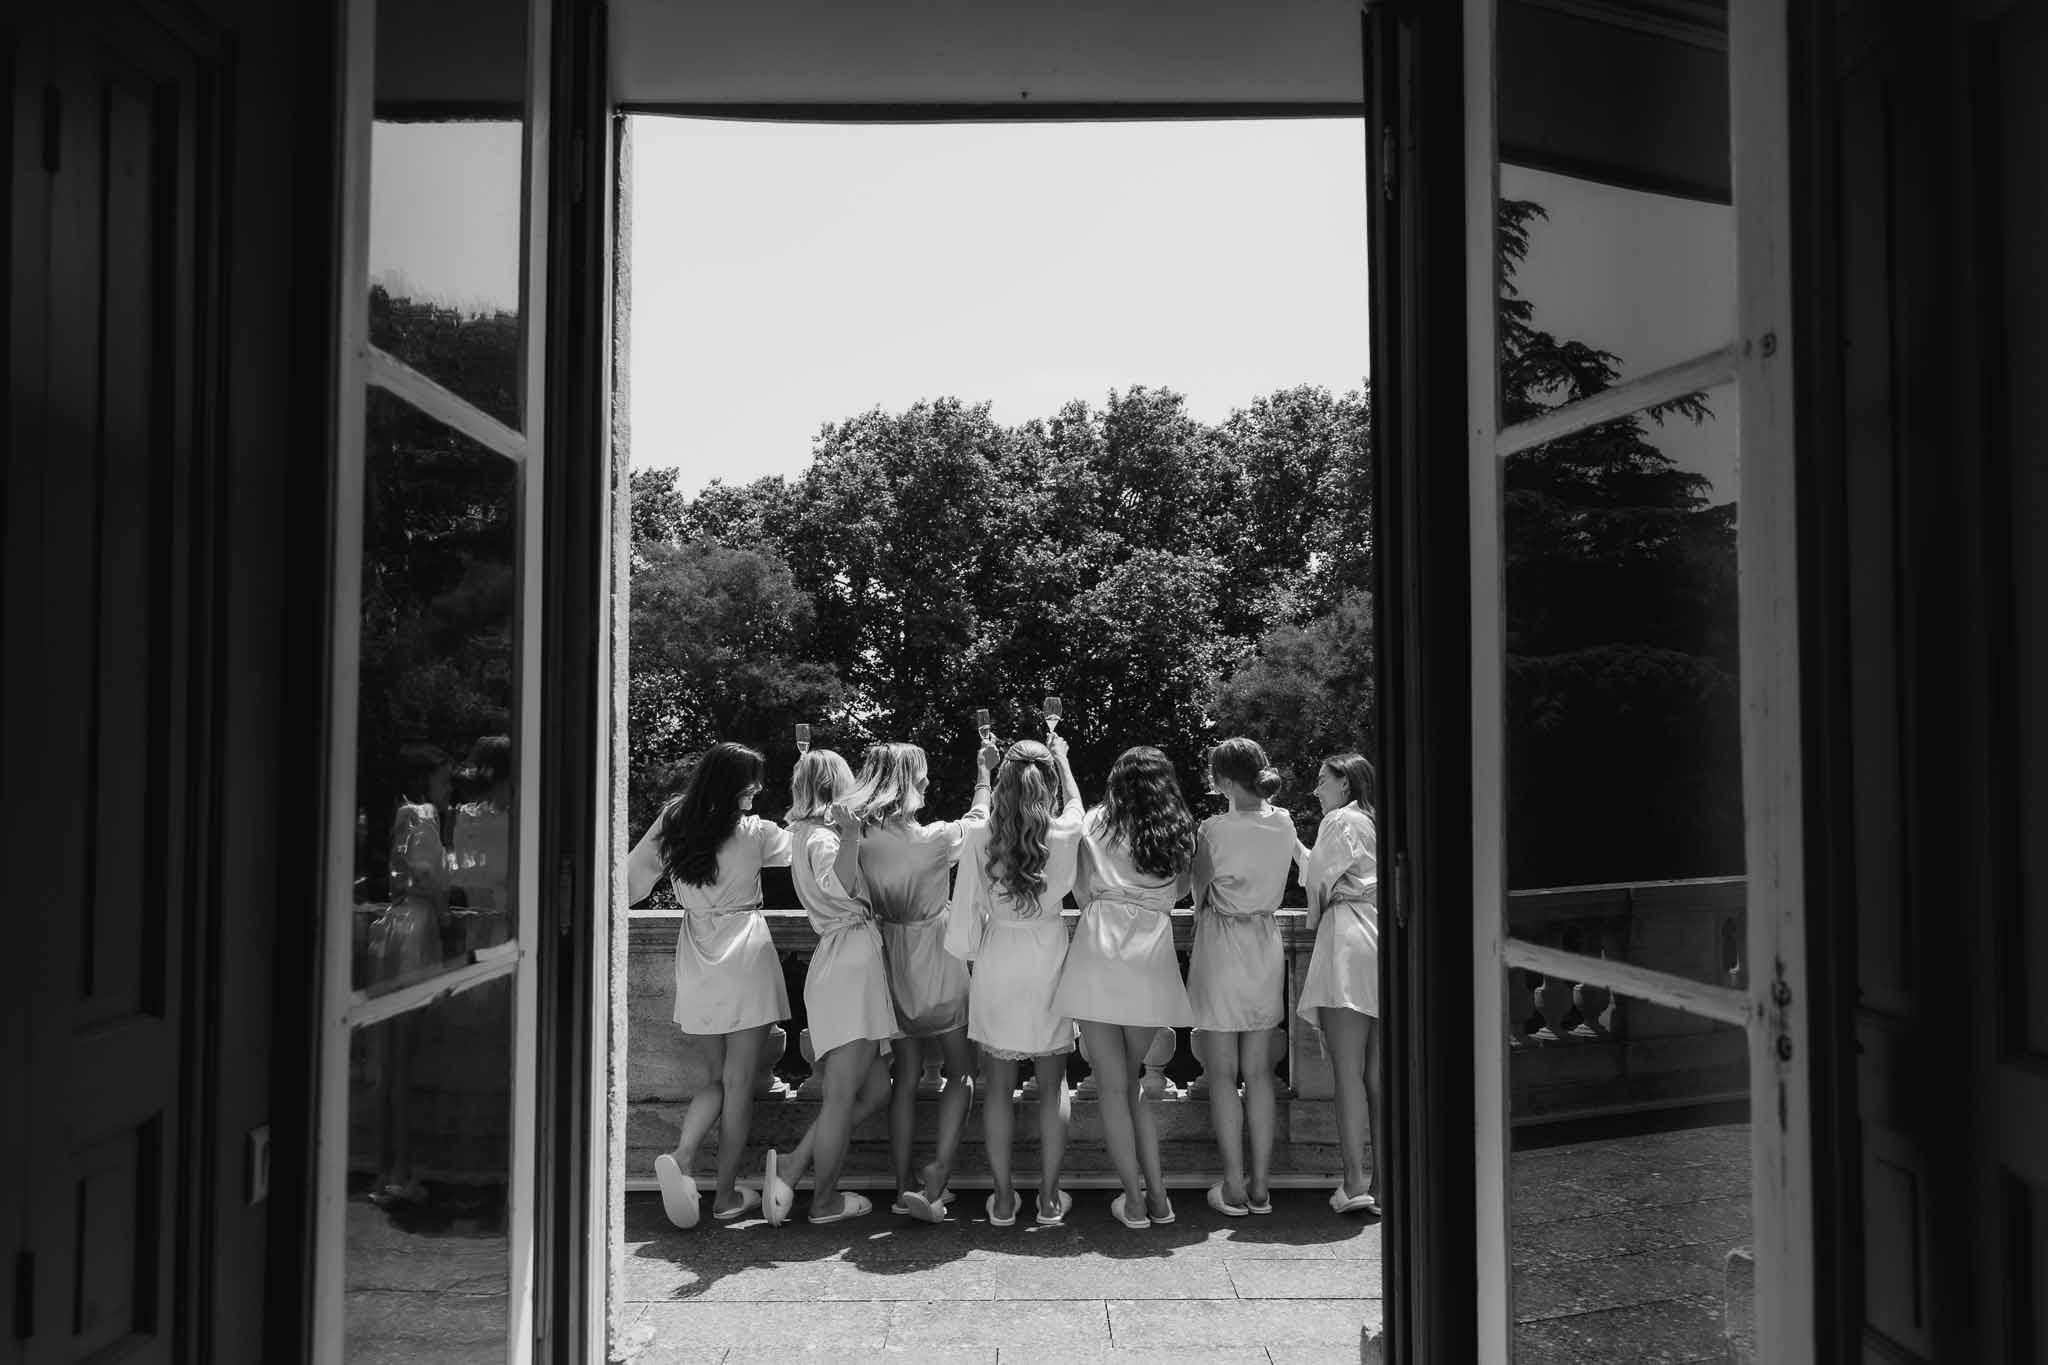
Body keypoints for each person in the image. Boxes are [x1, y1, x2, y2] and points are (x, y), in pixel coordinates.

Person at [626, 742, 791, 1227]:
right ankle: (722, 1197)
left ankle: (681, 1156)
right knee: (739, 1085)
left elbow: (634, 878)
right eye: (752, 780)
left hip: (695, 951)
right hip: (744, 951)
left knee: (715, 1080)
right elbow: (806, 850)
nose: (758, 789)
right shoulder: (756, 832)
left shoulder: (676, 817)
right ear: (733, 784)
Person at [1050, 745, 1197, 1229]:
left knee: (1114, 1090)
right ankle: (1158, 1197)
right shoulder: (1179, 829)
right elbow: (1179, 895)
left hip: (1099, 947)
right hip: (1149, 956)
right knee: (1130, 1085)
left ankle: (1135, 1200)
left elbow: (1079, 887)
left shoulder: (1095, 822)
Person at [845, 740, 991, 1222]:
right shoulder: (934, 839)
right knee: (961, 1071)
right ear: (910, 781)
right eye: (923, 775)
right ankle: (938, 1175)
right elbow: (978, 821)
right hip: (938, 956)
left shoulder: (861, 839)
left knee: (904, 1078)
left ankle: (901, 1181)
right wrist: (983, 773)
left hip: (887, 958)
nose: (928, 783)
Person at [752, 748, 899, 1225]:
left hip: (845, 959)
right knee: (839, 1096)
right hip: (849, 963)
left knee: (875, 1089)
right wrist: (854, 836)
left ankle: (793, 1168)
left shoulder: (805, 834)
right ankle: (823, 1200)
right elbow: (839, 884)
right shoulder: (825, 840)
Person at [949, 734, 1083, 1228]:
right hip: (1048, 957)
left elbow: (964, 908)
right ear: (1046, 781)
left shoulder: (982, 834)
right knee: (1053, 1087)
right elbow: (1076, 806)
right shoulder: (1066, 832)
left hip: (999, 958)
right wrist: (1064, 760)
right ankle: (1048, 1198)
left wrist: (966, 958)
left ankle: (1004, 1199)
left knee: (998, 1088)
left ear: (1003, 781)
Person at [1186, 736, 1297, 1218]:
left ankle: (1232, 1182)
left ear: (1227, 780)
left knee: (1223, 1074)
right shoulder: (1286, 822)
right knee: (1259, 1074)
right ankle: (1261, 1186)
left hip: (1220, 942)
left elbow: (1199, 894)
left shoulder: (1213, 829)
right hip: (1264, 943)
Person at [1296, 751, 1384, 1216]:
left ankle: (1353, 1183)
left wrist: (1300, 857)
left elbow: (1319, 883)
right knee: (1378, 1076)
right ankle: (1384, 1185)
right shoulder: (1378, 821)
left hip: (1349, 938)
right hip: (1382, 937)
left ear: (1345, 784)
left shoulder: (1339, 821)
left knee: (1348, 1073)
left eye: (1322, 780)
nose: (1316, 790)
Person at [367, 742, 454, 1207]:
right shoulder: (423, 814)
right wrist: (443, 911)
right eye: (443, 779)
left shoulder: (402, 813)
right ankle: (401, 1171)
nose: (449, 788)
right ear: (427, 781)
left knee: (392, 1059)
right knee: (405, 1058)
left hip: (394, 925)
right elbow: (428, 874)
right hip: (416, 931)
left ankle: (389, 1169)